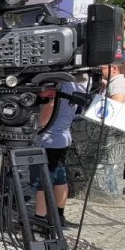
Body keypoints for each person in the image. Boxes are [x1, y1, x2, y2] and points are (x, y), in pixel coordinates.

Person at [34, 79, 86, 228]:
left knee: (43, 179)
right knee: (59, 176)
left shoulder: (58, 83)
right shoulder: (76, 85)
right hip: (63, 135)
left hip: (50, 138)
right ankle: (58, 214)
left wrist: (38, 127)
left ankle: (40, 218)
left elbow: (50, 106)